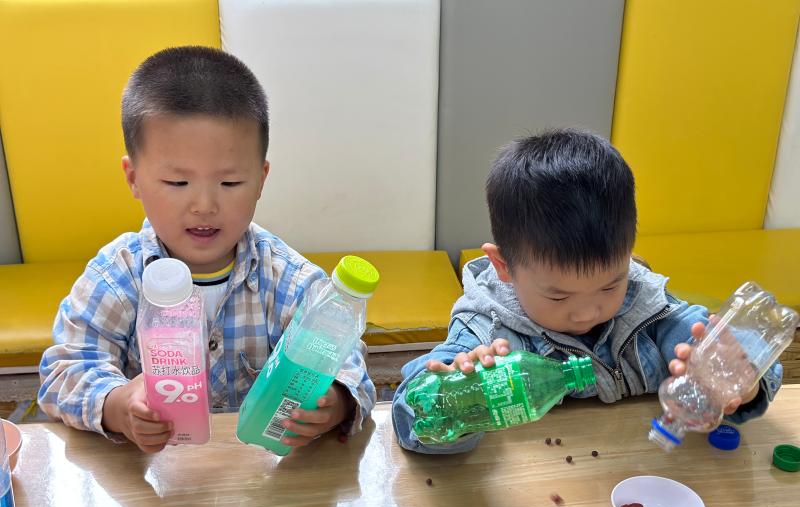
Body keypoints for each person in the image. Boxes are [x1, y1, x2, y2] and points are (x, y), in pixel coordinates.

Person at [39, 46, 375, 453]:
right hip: (155, 474)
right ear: (133, 178)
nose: (204, 205)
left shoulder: (290, 279)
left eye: (229, 183)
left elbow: (348, 362)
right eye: (177, 183)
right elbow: (64, 371)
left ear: (261, 178)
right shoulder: (117, 276)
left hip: (256, 471)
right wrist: (118, 405)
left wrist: (335, 402)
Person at [392, 129, 782, 453]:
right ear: (503, 266)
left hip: (639, 467)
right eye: (559, 296)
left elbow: (743, 357)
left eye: (610, 284)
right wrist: (457, 397)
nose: (586, 313)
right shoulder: (487, 330)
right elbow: (409, 416)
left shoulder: (650, 307)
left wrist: (739, 380)